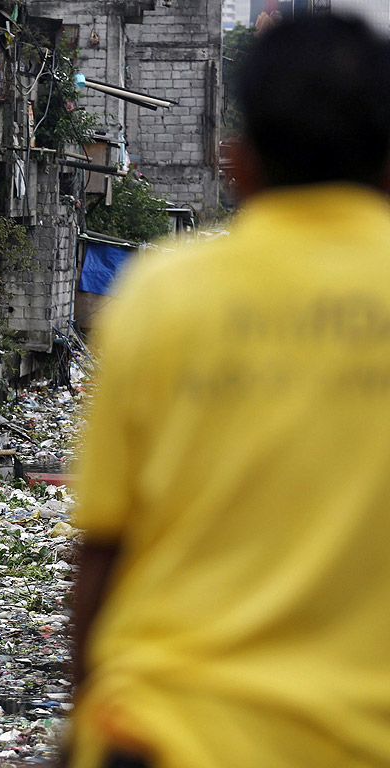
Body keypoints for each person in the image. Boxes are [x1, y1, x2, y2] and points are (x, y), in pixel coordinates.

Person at [70, 16, 390, 768]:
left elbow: (102, 553)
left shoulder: (162, 295)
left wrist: (82, 725)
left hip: (166, 735)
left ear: (238, 165)